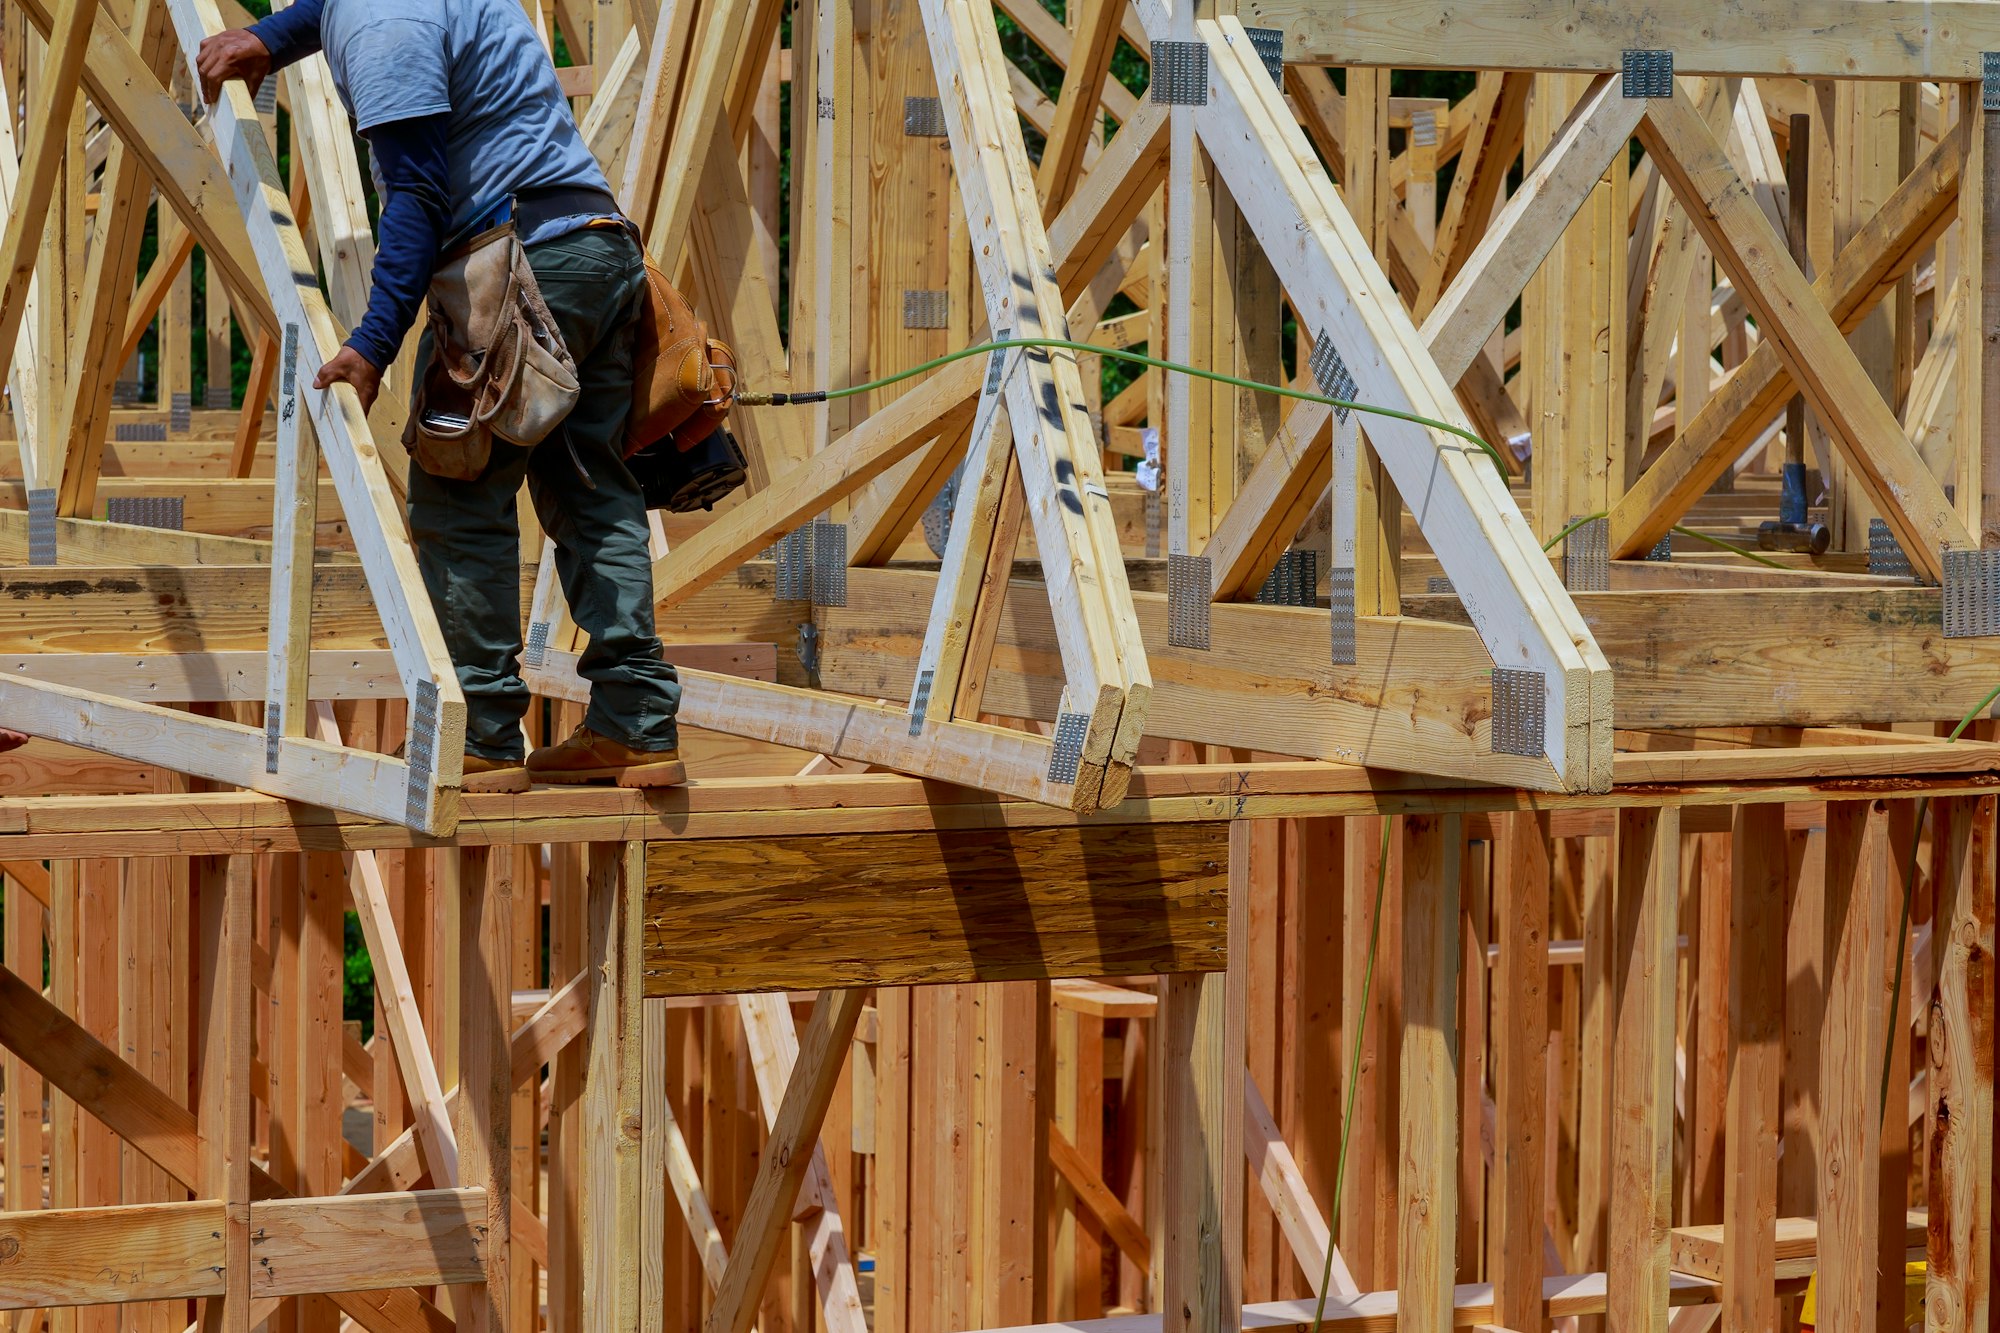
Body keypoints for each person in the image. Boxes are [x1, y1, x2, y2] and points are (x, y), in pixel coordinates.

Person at [197, 0, 686, 792]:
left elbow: (417, 203)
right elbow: (326, 10)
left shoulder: (386, 30)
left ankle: (484, 738)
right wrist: (268, 39)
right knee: (589, 486)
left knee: (460, 487)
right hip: (598, 251)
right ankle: (637, 725)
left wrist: (371, 346)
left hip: (518, 272)